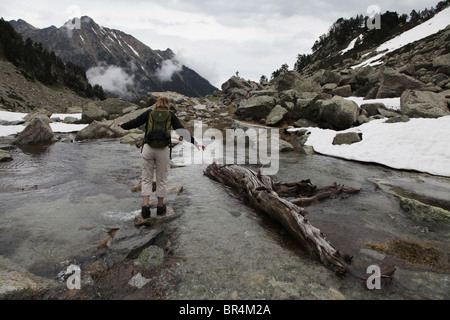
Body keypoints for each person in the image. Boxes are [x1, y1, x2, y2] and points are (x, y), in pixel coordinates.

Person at [118, 97, 205, 219]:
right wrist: (196, 143)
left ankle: (145, 208)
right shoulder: (171, 116)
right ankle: (160, 207)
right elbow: (181, 131)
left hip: (148, 148)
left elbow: (134, 123)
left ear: (156, 104)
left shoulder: (149, 113)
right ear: (167, 105)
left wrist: (123, 125)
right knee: (161, 179)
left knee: (146, 179)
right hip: (163, 150)